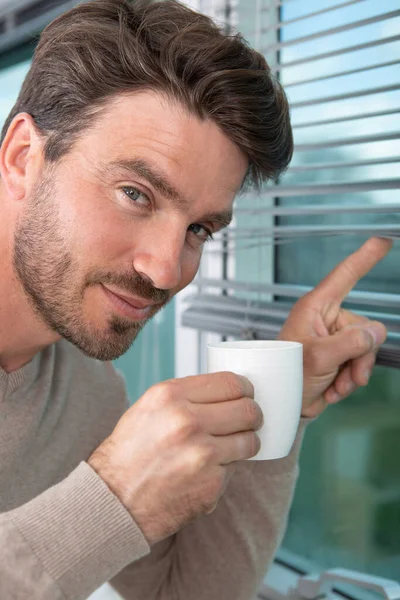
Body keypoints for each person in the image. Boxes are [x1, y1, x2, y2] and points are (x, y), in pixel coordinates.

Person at [0, 1, 391, 598]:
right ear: (25, 157)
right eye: (135, 193)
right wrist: (111, 503)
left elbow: (182, 592)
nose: (166, 270)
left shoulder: (85, 391)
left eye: (200, 230)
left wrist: (279, 401)